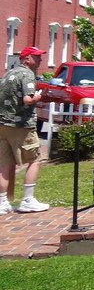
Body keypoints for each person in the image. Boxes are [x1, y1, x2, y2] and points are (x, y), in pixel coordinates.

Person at [0, 46, 50, 214]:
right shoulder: (27, 74)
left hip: (2, 124)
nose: (40, 60)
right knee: (34, 159)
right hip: (21, 125)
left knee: (5, 163)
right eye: (36, 57)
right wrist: (37, 97)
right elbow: (27, 99)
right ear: (26, 58)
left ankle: (2, 202)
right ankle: (27, 200)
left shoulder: (9, 73)